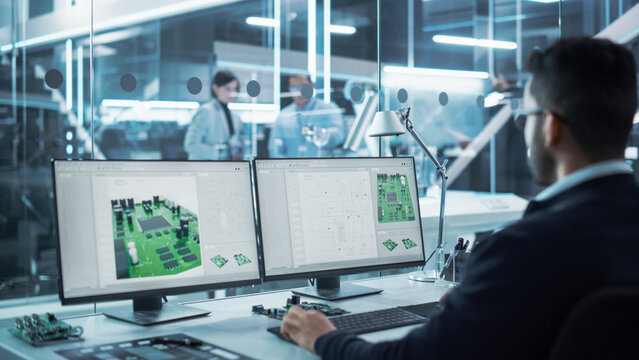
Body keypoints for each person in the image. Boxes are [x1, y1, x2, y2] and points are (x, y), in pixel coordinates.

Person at [281, 37, 639, 359]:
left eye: (523, 117)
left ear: (549, 126)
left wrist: (323, 337)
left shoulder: (523, 250)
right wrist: (485, 301)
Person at [268, 74, 345, 157]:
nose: (299, 92)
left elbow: (338, 137)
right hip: (292, 168)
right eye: (294, 89)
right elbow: (275, 151)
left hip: (321, 167)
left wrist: (320, 134)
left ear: (312, 86)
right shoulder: (283, 116)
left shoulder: (329, 109)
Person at [184, 71, 244, 160]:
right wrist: (219, 153)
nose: (232, 92)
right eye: (227, 88)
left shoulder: (234, 115)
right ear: (215, 88)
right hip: (207, 168)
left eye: (234, 88)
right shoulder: (206, 111)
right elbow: (190, 145)